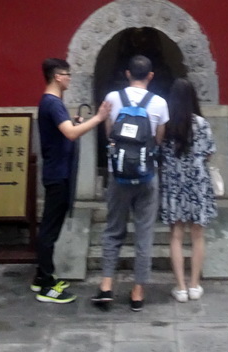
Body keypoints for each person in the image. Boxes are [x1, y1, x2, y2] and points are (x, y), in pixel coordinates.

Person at [92, 54, 169, 312]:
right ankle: (137, 292)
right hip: (147, 176)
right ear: (150, 76)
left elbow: (108, 135)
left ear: (127, 74)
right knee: (144, 232)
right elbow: (159, 140)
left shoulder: (113, 99)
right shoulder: (159, 103)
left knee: (113, 230)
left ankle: (106, 286)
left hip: (119, 175)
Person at [34, 58, 110, 304]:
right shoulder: (53, 103)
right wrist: (98, 118)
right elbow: (70, 133)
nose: (69, 78)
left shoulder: (52, 103)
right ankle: (46, 285)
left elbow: (66, 132)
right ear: (57, 76)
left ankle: (41, 276)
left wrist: (76, 124)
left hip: (58, 171)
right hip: (57, 174)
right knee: (49, 229)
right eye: (67, 74)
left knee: (51, 227)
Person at [159, 77, 217, 302]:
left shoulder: (167, 125)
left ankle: (180, 287)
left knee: (175, 235)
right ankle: (194, 285)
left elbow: (161, 155)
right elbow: (209, 152)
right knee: (198, 235)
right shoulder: (201, 124)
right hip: (198, 183)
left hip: (174, 184)